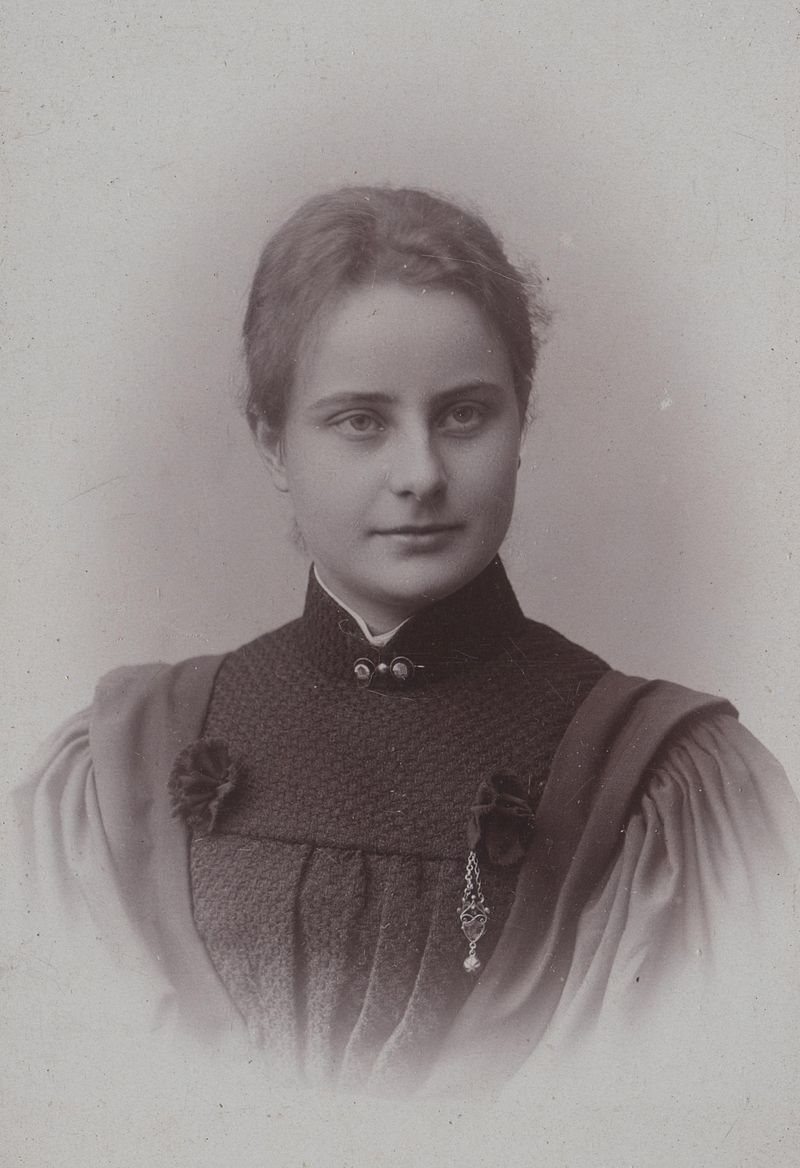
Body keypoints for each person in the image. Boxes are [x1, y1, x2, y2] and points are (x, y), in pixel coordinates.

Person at [16, 185, 799, 1097]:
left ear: (519, 422)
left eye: (464, 414)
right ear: (272, 442)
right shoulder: (127, 760)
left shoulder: (665, 779)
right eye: (361, 421)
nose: (421, 474)